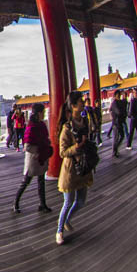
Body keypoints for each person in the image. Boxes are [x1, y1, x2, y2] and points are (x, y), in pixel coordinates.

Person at [55, 91, 93, 245]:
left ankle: (67, 220)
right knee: (68, 202)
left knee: (81, 201)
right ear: (73, 105)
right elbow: (62, 152)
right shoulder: (67, 128)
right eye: (80, 101)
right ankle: (59, 231)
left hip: (83, 167)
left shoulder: (85, 122)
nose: (83, 103)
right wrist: (76, 147)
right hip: (71, 169)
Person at [13, 102, 52, 213]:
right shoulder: (31, 127)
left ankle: (42, 204)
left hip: (41, 157)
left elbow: (46, 138)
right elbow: (27, 146)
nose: (44, 114)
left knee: (41, 181)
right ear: (39, 113)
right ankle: (15, 203)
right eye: (43, 112)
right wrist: (38, 152)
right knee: (26, 181)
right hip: (33, 158)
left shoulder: (42, 124)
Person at [109, 90, 126, 158]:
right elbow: (118, 111)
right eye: (118, 95)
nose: (119, 96)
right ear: (115, 95)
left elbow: (124, 109)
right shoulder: (114, 103)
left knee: (122, 136)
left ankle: (115, 149)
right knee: (116, 138)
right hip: (116, 122)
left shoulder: (120, 101)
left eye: (119, 95)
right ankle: (114, 152)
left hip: (120, 122)